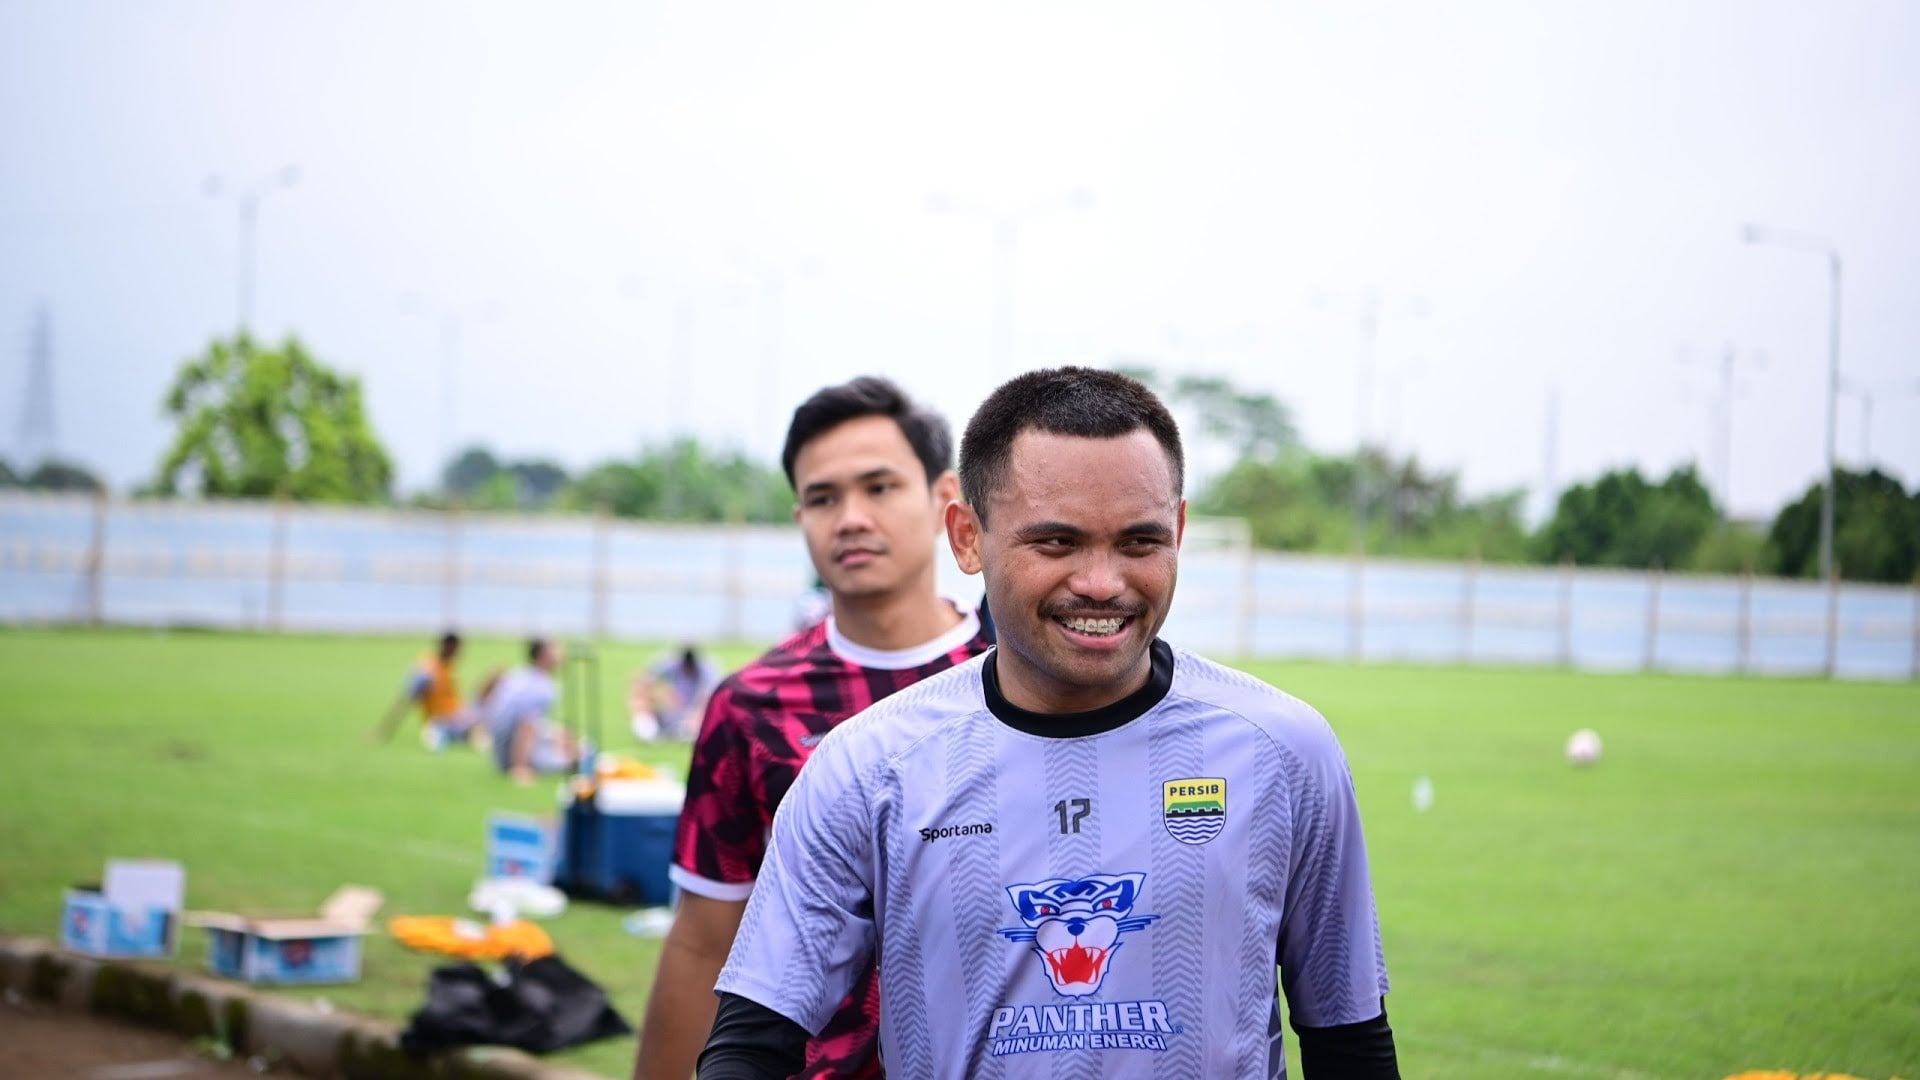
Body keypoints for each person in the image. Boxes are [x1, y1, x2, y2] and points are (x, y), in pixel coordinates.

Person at [698, 367, 1399, 1078]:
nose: (1102, 582)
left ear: (1179, 531)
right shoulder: (867, 766)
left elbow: (1350, 1039)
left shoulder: (1283, 752)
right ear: (968, 538)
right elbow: (752, 1044)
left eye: (1138, 542)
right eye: (1057, 543)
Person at [632, 376, 993, 1080]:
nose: (850, 517)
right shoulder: (751, 707)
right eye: (824, 498)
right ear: (799, 516)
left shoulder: (1017, 676)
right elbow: (707, 940)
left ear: (945, 497)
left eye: (879, 487)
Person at [484, 637, 577, 784]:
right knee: (572, 761)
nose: (561, 651)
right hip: (509, 753)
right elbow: (526, 724)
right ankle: (522, 764)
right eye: (555, 647)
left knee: (565, 735)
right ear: (544, 654)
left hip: (500, 747)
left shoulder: (520, 674)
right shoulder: (540, 687)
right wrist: (520, 767)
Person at [372, 631, 480, 749]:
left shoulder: (446, 666)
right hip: (440, 720)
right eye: (458, 649)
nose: (460, 653)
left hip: (457, 717)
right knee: (478, 733)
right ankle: (439, 734)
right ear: (450, 647)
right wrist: (383, 731)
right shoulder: (427, 671)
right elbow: (406, 700)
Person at [628, 644, 722, 741]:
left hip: (692, 715)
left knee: (697, 729)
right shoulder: (668, 664)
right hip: (667, 713)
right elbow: (643, 682)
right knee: (643, 723)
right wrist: (645, 704)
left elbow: (712, 697)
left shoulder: (708, 669)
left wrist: (697, 715)